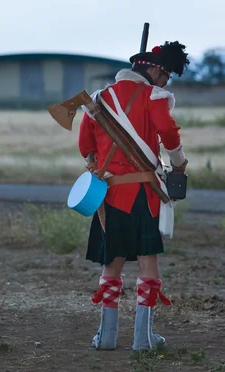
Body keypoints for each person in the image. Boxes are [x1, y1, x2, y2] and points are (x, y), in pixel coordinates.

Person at [77, 41, 190, 351]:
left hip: (109, 193)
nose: (167, 83)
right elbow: (168, 132)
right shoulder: (155, 96)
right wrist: (178, 162)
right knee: (147, 261)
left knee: (110, 263)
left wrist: (101, 160)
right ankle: (143, 339)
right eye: (166, 76)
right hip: (144, 192)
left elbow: (85, 144)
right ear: (153, 69)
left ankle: (108, 337)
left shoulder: (99, 99)